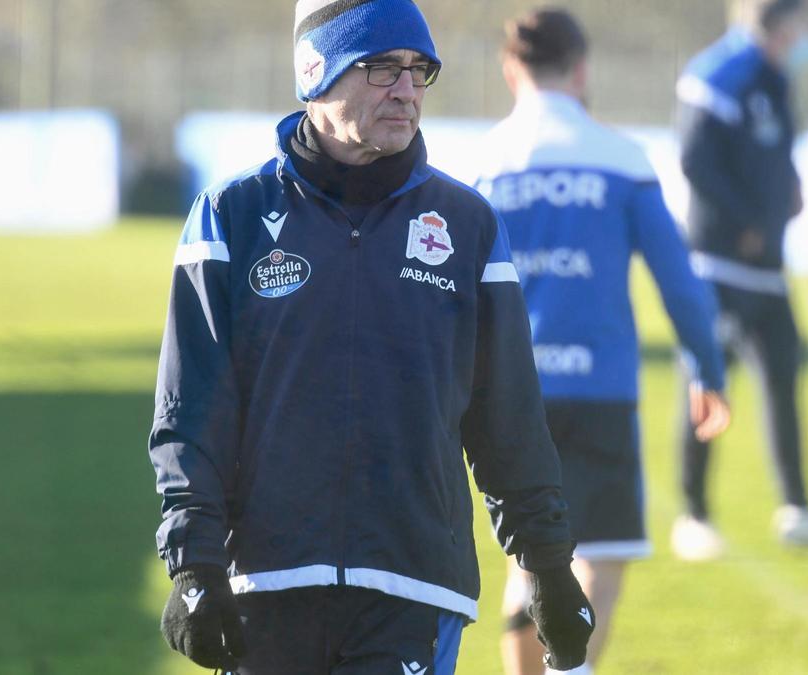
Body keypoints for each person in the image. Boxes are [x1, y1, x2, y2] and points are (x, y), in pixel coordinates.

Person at [148, 1, 593, 673]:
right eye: (382, 68)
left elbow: (509, 420)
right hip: (265, 583)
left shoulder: (467, 225)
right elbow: (192, 410)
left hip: (411, 586)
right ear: (314, 71)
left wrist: (550, 566)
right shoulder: (229, 216)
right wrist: (194, 560)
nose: (407, 91)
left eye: (419, 72)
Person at [474, 9, 733, 674]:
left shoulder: (484, 164)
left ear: (511, 72)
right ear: (583, 70)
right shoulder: (621, 159)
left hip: (511, 394)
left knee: (526, 556)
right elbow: (680, 284)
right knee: (602, 558)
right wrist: (707, 368)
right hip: (600, 391)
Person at [672, 0, 808, 559]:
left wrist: (789, 189)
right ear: (781, 22)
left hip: (767, 266)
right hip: (718, 263)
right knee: (708, 381)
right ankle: (694, 515)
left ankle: (797, 508)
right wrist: (745, 220)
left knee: (784, 380)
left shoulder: (775, 77)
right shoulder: (718, 73)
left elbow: (768, 152)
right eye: (804, 23)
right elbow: (695, 158)